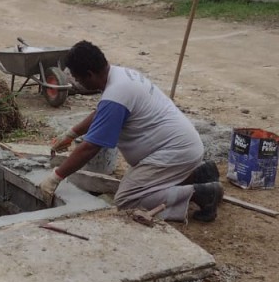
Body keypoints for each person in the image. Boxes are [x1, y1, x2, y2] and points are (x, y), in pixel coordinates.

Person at [38, 41, 223, 222]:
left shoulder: (116, 95)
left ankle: (201, 194)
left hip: (174, 152)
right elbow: (101, 113)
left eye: (78, 79)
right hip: (181, 147)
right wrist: (71, 134)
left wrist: (56, 177)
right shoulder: (119, 75)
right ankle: (199, 174)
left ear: (90, 74)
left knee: (128, 201)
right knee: (142, 187)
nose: (77, 83)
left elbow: (90, 147)